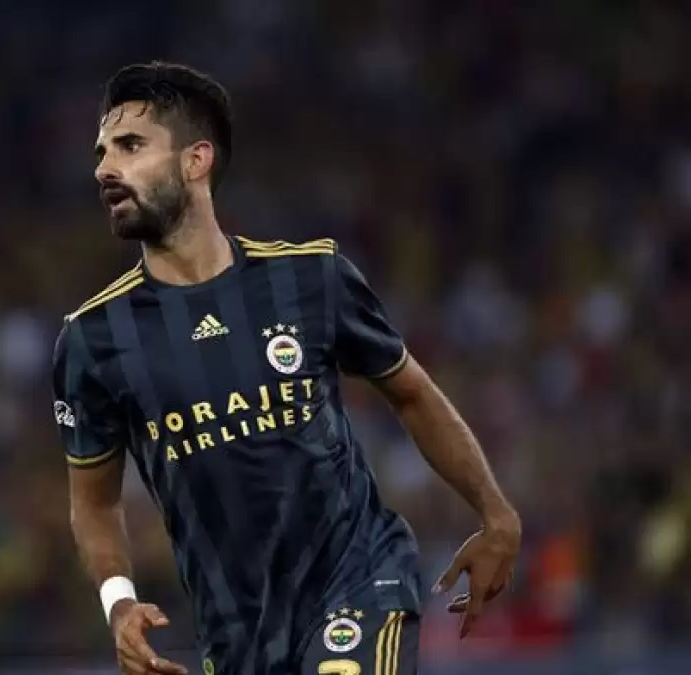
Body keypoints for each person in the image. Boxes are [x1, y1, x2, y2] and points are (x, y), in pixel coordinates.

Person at [51, 61, 521, 675]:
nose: (104, 169)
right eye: (101, 152)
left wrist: (494, 512)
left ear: (196, 161)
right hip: (237, 634)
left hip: (358, 580)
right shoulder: (92, 339)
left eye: (130, 146)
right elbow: (94, 503)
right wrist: (118, 603)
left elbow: (411, 394)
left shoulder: (311, 278)